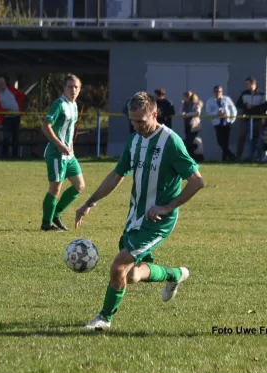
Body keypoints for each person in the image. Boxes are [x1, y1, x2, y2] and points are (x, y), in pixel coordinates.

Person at [75, 91, 204, 331]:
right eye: (132, 121)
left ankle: (104, 319)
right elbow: (116, 175)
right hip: (136, 217)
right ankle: (174, 274)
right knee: (132, 276)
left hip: (158, 220)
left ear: (155, 114)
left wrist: (167, 207)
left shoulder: (171, 142)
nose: (136, 127)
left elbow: (197, 181)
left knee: (117, 267)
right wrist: (89, 203)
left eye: (141, 122)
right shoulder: (134, 140)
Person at [41, 75, 85, 232]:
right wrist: (59, 145)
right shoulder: (59, 104)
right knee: (55, 188)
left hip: (69, 154)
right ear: (64, 88)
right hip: (56, 153)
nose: (73, 90)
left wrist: (70, 145)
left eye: (76, 87)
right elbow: (46, 126)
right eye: (70, 87)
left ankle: (56, 213)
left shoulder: (74, 105)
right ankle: (46, 224)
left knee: (79, 185)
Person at [0, 77, 26, 158]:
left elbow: (22, 96)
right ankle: (4, 154)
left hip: (16, 117)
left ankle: (15, 155)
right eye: (0, 83)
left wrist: (19, 106)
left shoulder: (12, 90)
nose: (2, 85)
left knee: (16, 136)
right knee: (6, 137)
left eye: (3, 83)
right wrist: (5, 111)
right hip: (6, 118)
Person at [236, 76, 265, 161]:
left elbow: (263, 106)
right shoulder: (244, 93)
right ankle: (238, 157)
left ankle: (256, 157)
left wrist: (253, 108)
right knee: (242, 136)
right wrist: (246, 105)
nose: (247, 86)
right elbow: (238, 104)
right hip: (246, 118)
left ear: (253, 84)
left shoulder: (261, 93)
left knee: (256, 137)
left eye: (248, 84)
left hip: (257, 119)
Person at [205, 85, 237, 161]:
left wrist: (232, 119)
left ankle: (225, 159)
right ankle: (232, 157)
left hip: (227, 123)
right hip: (217, 124)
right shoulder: (210, 101)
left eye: (219, 91)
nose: (218, 93)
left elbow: (234, 110)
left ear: (222, 92)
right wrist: (217, 113)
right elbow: (208, 113)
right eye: (216, 91)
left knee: (226, 142)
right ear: (213, 92)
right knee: (220, 142)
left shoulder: (227, 99)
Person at [181, 91, 203, 158]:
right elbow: (181, 111)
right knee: (189, 141)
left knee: (188, 141)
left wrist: (187, 114)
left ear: (188, 97)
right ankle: (192, 155)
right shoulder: (184, 103)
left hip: (194, 125)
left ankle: (193, 153)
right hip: (187, 125)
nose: (183, 98)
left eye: (184, 96)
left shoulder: (196, 103)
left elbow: (197, 113)